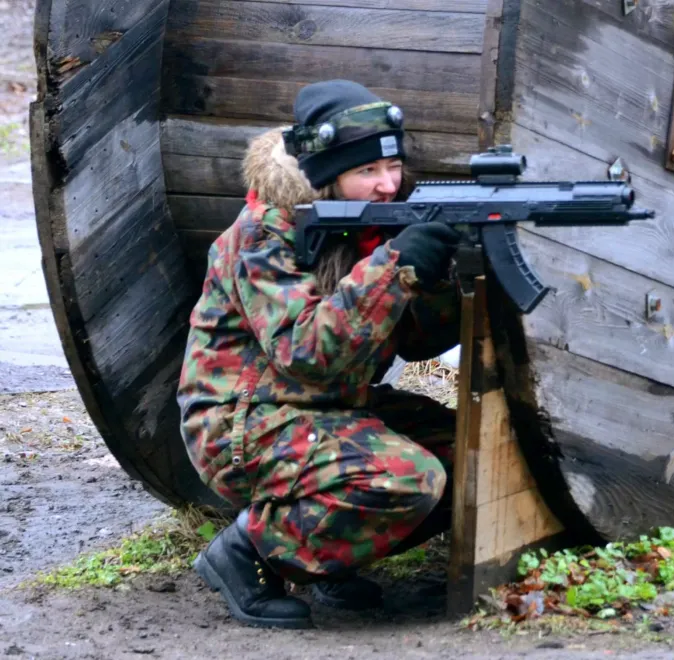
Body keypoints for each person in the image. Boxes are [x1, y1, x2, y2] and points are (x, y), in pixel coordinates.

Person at [177, 80, 462, 629]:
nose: (387, 185)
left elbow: (422, 338)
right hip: (242, 423)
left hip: (329, 409)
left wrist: (443, 273)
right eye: (368, 173)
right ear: (327, 177)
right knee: (408, 477)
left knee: (465, 455)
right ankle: (248, 553)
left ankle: (325, 561)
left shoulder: (374, 224)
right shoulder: (263, 235)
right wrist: (396, 266)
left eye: (394, 167)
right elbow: (305, 351)